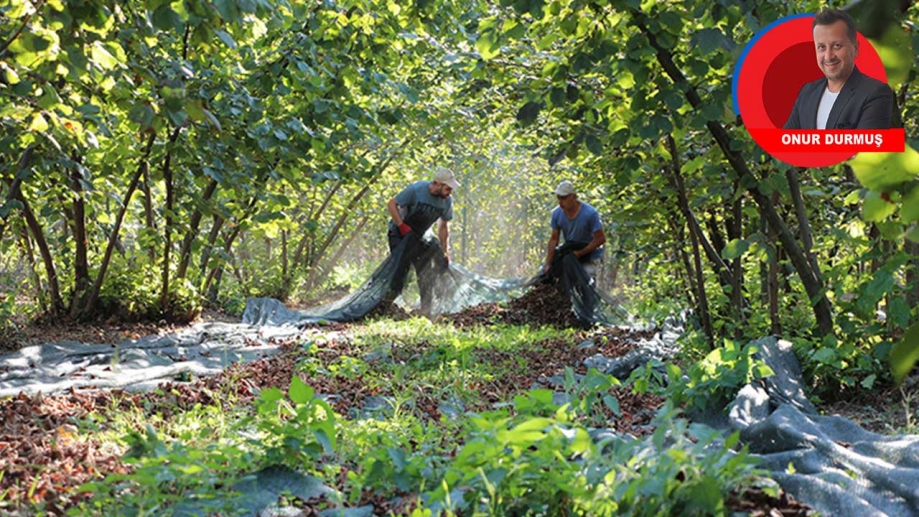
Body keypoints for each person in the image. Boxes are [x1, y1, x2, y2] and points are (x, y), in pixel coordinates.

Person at [783, 8, 895, 130]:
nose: (828, 56)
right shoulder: (808, 92)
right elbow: (784, 144)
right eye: (821, 47)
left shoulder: (875, 93)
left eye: (837, 46)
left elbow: (865, 148)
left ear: (855, 48)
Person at [385, 167, 460, 315]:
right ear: (438, 184)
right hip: (399, 233)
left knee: (425, 271)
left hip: (420, 236)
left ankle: (426, 311)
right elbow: (392, 204)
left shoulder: (447, 201)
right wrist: (401, 225)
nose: (450, 192)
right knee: (400, 269)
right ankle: (385, 305)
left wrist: (445, 251)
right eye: (447, 188)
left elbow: (443, 227)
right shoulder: (416, 190)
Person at [544, 180, 606, 281]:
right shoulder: (557, 214)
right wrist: (548, 263)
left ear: (574, 197)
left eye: (564, 198)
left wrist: (580, 253)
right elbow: (554, 239)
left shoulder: (590, 214)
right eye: (558, 198)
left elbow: (600, 239)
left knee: (587, 279)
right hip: (571, 251)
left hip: (589, 254)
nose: (560, 201)